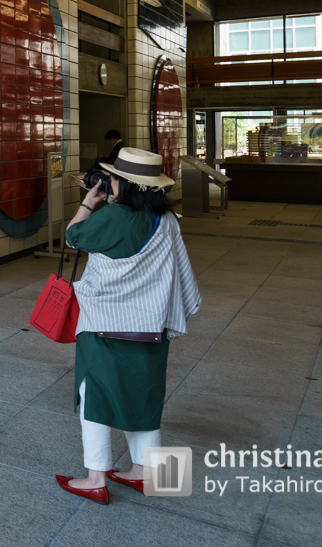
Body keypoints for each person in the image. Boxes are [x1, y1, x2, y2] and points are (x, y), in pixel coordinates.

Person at [56, 147, 202, 505]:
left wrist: (89, 204)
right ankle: (154, 476)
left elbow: (73, 236)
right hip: (152, 325)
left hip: (105, 325)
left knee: (95, 396)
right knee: (146, 396)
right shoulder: (168, 221)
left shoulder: (113, 217)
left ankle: (95, 479)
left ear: (122, 183)